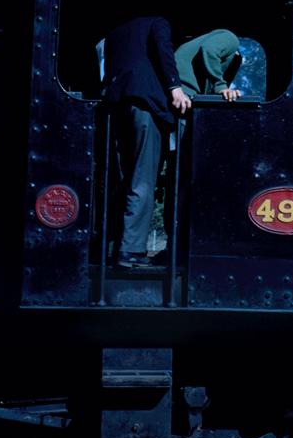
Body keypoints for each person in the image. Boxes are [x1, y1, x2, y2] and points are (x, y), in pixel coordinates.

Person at [102, 16, 191, 267]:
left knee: (122, 179)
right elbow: (163, 50)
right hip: (145, 105)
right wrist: (175, 87)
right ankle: (131, 250)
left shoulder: (116, 31)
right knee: (143, 178)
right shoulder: (158, 22)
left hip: (116, 104)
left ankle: (112, 244)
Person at [174, 29, 242, 101]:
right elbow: (209, 49)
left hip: (177, 87)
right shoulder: (231, 39)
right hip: (181, 88)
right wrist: (221, 86)